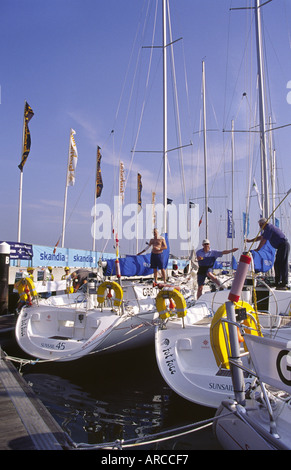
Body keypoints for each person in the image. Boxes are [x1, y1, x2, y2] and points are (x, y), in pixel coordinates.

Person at [245, 218, 290, 289]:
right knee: (277, 264)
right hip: (280, 247)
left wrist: (258, 249)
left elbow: (263, 240)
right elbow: (260, 237)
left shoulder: (269, 227)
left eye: (260, 225)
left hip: (283, 245)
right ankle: (277, 282)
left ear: (264, 224)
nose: (260, 227)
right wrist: (250, 241)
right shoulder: (267, 229)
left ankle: (284, 283)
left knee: (282, 264)